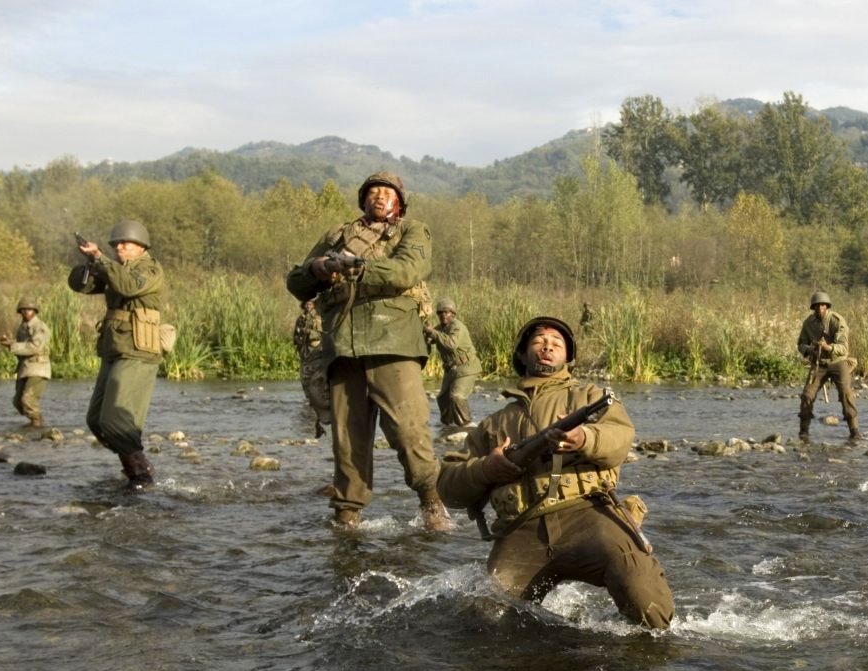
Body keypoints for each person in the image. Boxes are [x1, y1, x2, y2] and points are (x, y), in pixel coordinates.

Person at [436, 316, 674, 629]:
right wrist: (486, 469)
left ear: (568, 357)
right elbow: (448, 487)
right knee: (485, 620)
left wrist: (584, 439)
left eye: (557, 342)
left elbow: (620, 439)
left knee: (645, 601)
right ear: (522, 355)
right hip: (521, 531)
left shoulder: (588, 397)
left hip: (589, 516)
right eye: (538, 341)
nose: (548, 345)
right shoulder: (492, 424)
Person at [285, 170, 451, 531]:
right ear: (363, 199)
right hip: (343, 345)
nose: (380, 196)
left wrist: (355, 267)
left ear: (400, 202)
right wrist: (319, 268)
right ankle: (347, 517)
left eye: (387, 192)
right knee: (348, 443)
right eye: (373, 191)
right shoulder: (336, 235)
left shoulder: (412, 230)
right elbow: (297, 282)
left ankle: (432, 504)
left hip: (394, 341)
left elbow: (408, 271)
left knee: (409, 433)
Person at [71, 220, 166, 490]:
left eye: (125, 243)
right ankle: (133, 470)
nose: (119, 247)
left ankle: (141, 472)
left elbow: (128, 287)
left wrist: (101, 258)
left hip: (138, 350)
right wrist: (90, 263)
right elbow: (82, 286)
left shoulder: (149, 269)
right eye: (115, 244)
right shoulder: (116, 270)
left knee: (114, 421)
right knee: (96, 421)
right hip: (114, 348)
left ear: (141, 246)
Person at [796, 291, 862, 441]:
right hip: (818, 364)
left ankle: (854, 431)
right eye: (817, 306)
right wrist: (809, 349)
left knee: (846, 394)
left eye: (823, 305)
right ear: (813, 307)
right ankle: (803, 431)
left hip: (837, 362)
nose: (820, 308)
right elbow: (800, 344)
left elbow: (843, 348)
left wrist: (828, 347)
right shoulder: (808, 323)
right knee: (807, 395)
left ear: (827, 306)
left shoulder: (837, 321)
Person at [426, 299, 482, 428]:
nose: (443, 315)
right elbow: (432, 339)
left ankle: (467, 426)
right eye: (440, 312)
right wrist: (427, 337)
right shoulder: (440, 328)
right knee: (443, 399)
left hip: (467, 367)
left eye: (447, 312)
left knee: (456, 396)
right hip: (451, 369)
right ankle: (448, 426)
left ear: (453, 313)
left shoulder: (457, 326)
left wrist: (433, 333)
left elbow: (451, 344)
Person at [0, 295, 51, 427]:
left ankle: (37, 423)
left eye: (29, 309)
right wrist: (10, 342)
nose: (26, 312)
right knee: (18, 402)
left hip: (38, 367)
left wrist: (12, 346)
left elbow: (34, 347)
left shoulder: (40, 327)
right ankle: (35, 422)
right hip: (25, 368)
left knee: (27, 399)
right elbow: (22, 346)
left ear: (34, 311)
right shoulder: (22, 328)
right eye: (23, 310)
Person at [292, 298, 333, 436]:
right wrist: (299, 340)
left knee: (317, 376)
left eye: (310, 304)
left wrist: (310, 332)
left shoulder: (319, 317)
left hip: (316, 349)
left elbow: (324, 333)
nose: (308, 306)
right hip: (305, 349)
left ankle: (320, 399)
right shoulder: (301, 318)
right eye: (306, 304)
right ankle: (309, 397)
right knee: (304, 375)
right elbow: (296, 335)